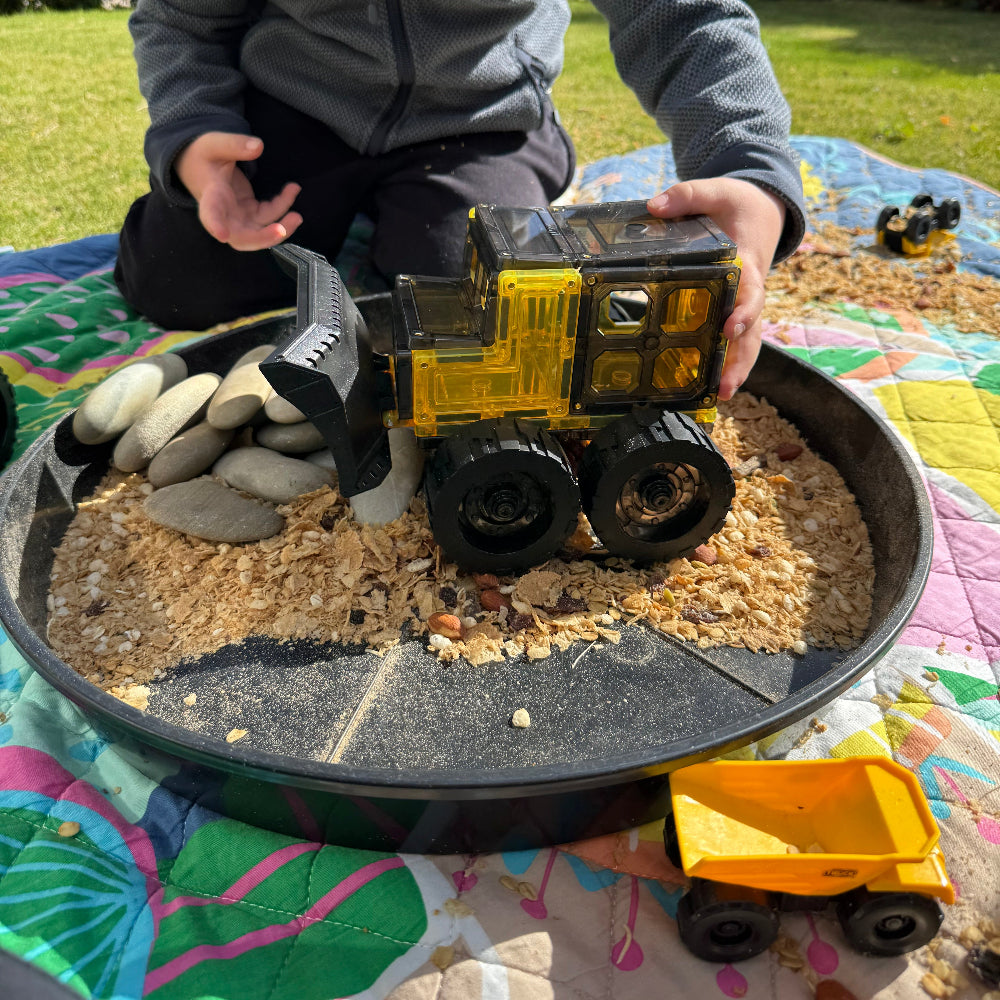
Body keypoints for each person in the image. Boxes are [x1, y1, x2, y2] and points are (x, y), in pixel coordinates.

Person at [114, 0, 805, 401]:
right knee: (181, 279)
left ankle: (476, 196)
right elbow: (180, 17)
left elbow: (683, 14)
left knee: (476, 301)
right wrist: (193, 139)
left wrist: (746, 167)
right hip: (294, 107)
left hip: (482, 117)